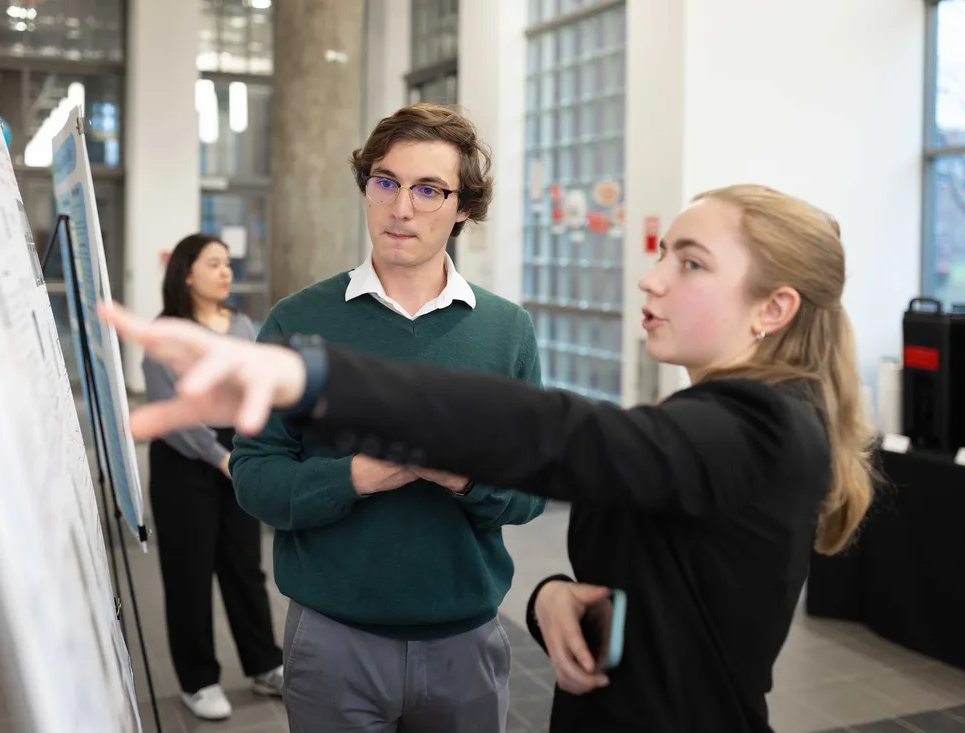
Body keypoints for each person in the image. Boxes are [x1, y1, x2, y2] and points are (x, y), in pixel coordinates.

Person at [103, 183, 876, 733]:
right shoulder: (722, 417)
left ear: (773, 309)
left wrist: (317, 376)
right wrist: (549, 596)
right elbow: (661, 585)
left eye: (692, 262)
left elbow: (564, 436)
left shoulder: (765, 426)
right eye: (664, 252)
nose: (652, 275)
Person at [229, 103, 548, 732]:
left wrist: (462, 476)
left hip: (466, 642)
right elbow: (253, 477)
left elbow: (535, 487)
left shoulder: (506, 331)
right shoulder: (298, 322)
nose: (401, 208)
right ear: (368, 189)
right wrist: (355, 477)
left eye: (429, 190)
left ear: (463, 209)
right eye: (386, 182)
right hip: (332, 640)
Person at [141, 233, 284, 722]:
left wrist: (248, 452)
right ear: (185, 274)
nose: (226, 272)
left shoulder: (243, 324)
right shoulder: (166, 335)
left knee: (245, 567)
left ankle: (265, 664)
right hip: (185, 463)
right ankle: (198, 680)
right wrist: (221, 458)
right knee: (189, 575)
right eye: (214, 264)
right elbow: (174, 412)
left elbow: (255, 390)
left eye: (228, 264)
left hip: (237, 453)